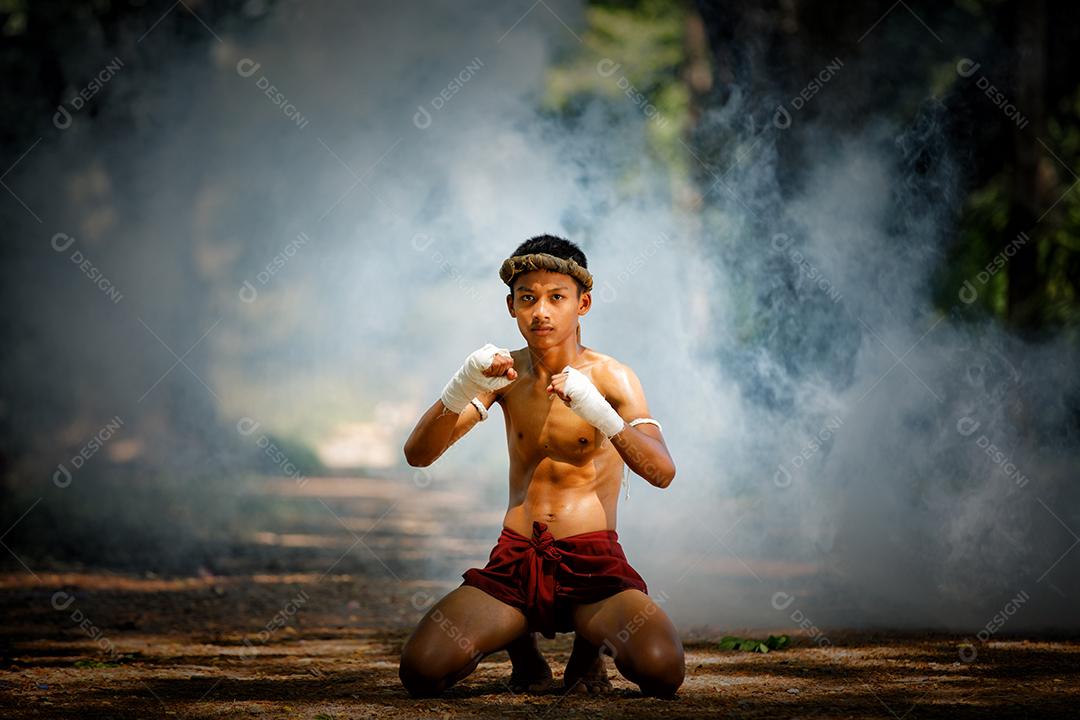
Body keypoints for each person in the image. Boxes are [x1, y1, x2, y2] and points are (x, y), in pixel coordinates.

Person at [399, 234, 684, 698]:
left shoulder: (613, 377)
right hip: (515, 561)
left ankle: (588, 647)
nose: (541, 312)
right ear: (511, 306)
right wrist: (462, 384)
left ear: (583, 303)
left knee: (662, 669)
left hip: (593, 568)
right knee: (421, 671)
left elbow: (662, 473)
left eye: (557, 298)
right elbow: (418, 455)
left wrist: (602, 414)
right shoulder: (501, 375)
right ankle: (523, 647)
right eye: (528, 298)